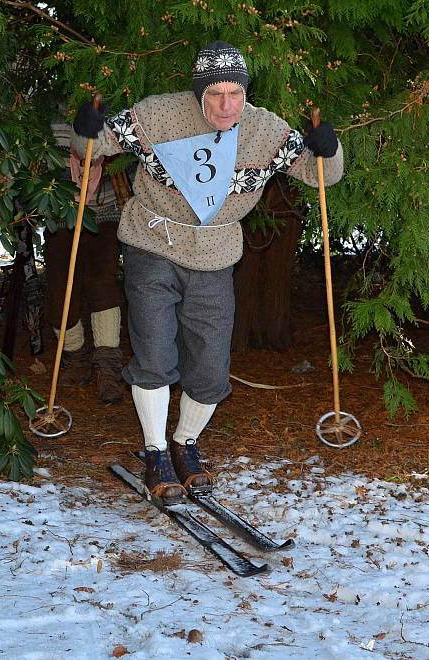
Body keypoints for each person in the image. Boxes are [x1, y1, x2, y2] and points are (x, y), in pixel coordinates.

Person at [71, 41, 343, 503]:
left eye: (235, 94)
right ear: (199, 92)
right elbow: (94, 145)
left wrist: (328, 148)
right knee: (155, 354)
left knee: (211, 367)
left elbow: (324, 176)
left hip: (216, 255)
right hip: (153, 244)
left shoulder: (264, 130)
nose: (226, 105)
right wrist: (86, 128)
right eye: (216, 93)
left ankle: (184, 445)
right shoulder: (159, 115)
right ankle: (155, 452)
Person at [44, 123, 131, 404]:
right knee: (60, 289)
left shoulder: (115, 114)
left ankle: (107, 367)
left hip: (104, 214)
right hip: (60, 215)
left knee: (102, 282)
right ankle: (75, 356)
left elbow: (127, 163)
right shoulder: (53, 120)